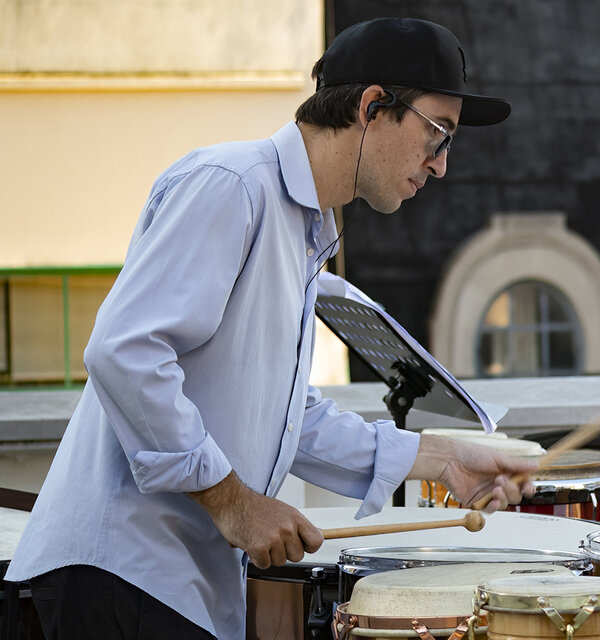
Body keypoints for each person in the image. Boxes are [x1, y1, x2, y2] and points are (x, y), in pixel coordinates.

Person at [6, 17, 535, 640]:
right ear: (371, 108)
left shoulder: (307, 231)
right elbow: (125, 352)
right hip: (115, 577)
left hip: (170, 591)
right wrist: (235, 503)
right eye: (437, 132)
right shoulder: (232, 185)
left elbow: (286, 419)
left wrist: (445, 459)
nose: (441, 164)